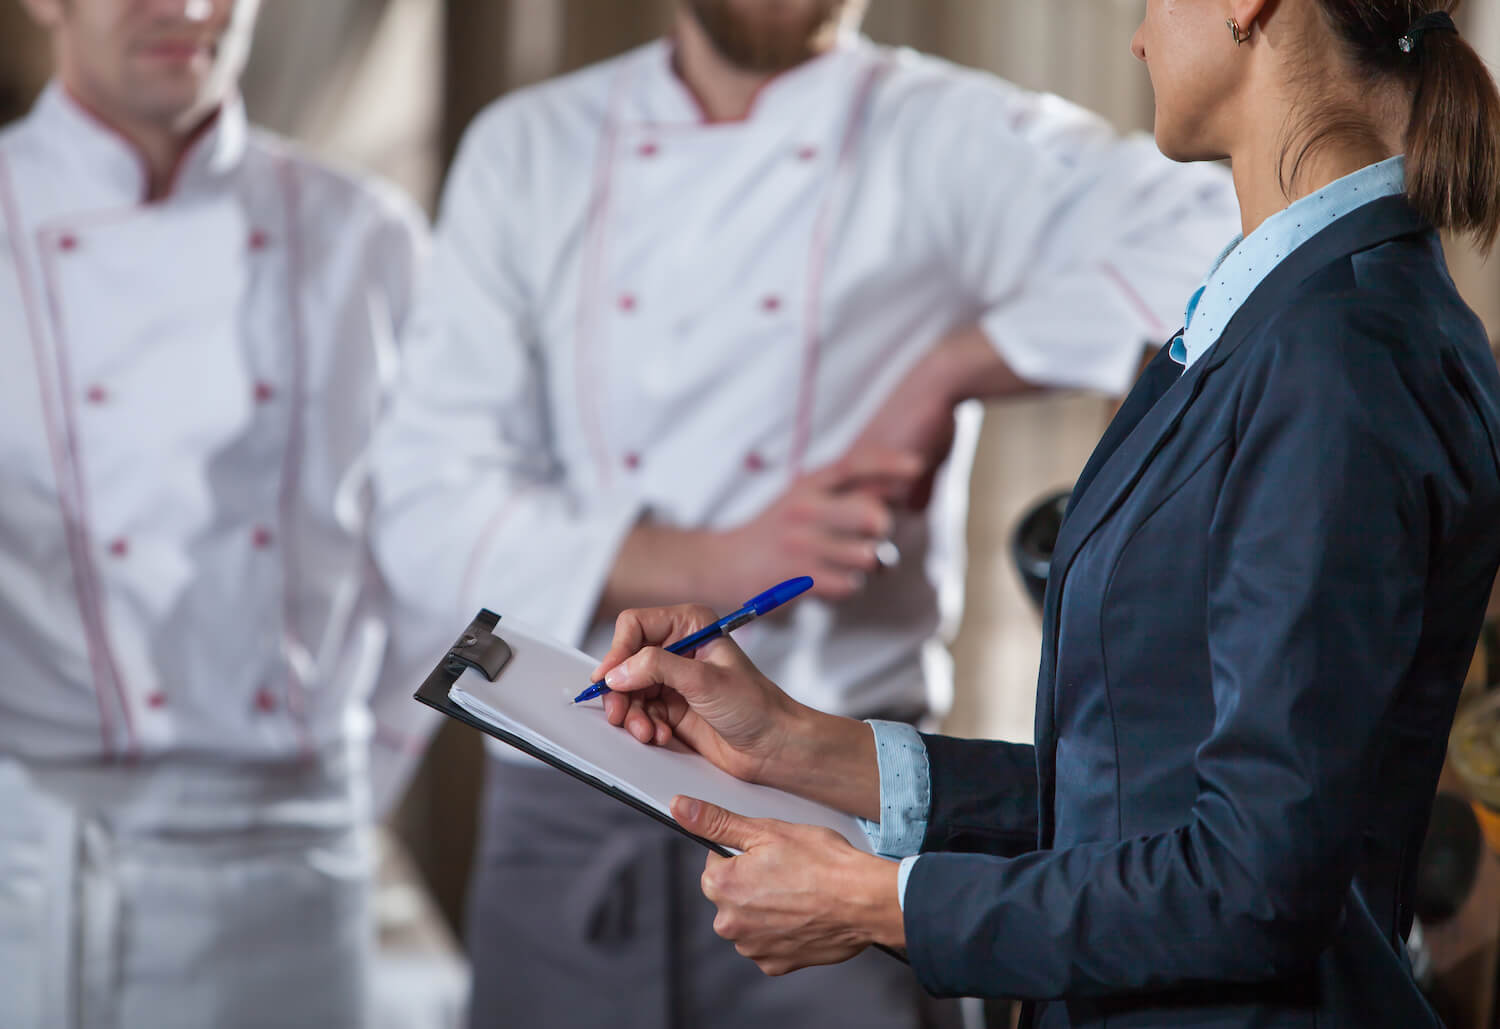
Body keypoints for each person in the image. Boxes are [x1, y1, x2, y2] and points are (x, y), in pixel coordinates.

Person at [589, 0, 1500, 1025]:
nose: (1140, 38)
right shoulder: (1300, 317)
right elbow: (1148, 802)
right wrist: (803, 750)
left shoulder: (1336, 358)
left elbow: (1251, 885)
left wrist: (877, 902)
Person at [371, 0, 1238, 1024]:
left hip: (844, 819)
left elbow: (1237, 225)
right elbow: (427, 509)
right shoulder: (528, 147)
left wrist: (952, 365)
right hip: (569, 817)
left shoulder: (954, 132)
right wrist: (721, 558)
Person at [0, 0, 432, 1025]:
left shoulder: (364, 234)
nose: (189, 8)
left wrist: (349, 793)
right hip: (34, 858)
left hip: (293, 867)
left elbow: (434, 559)